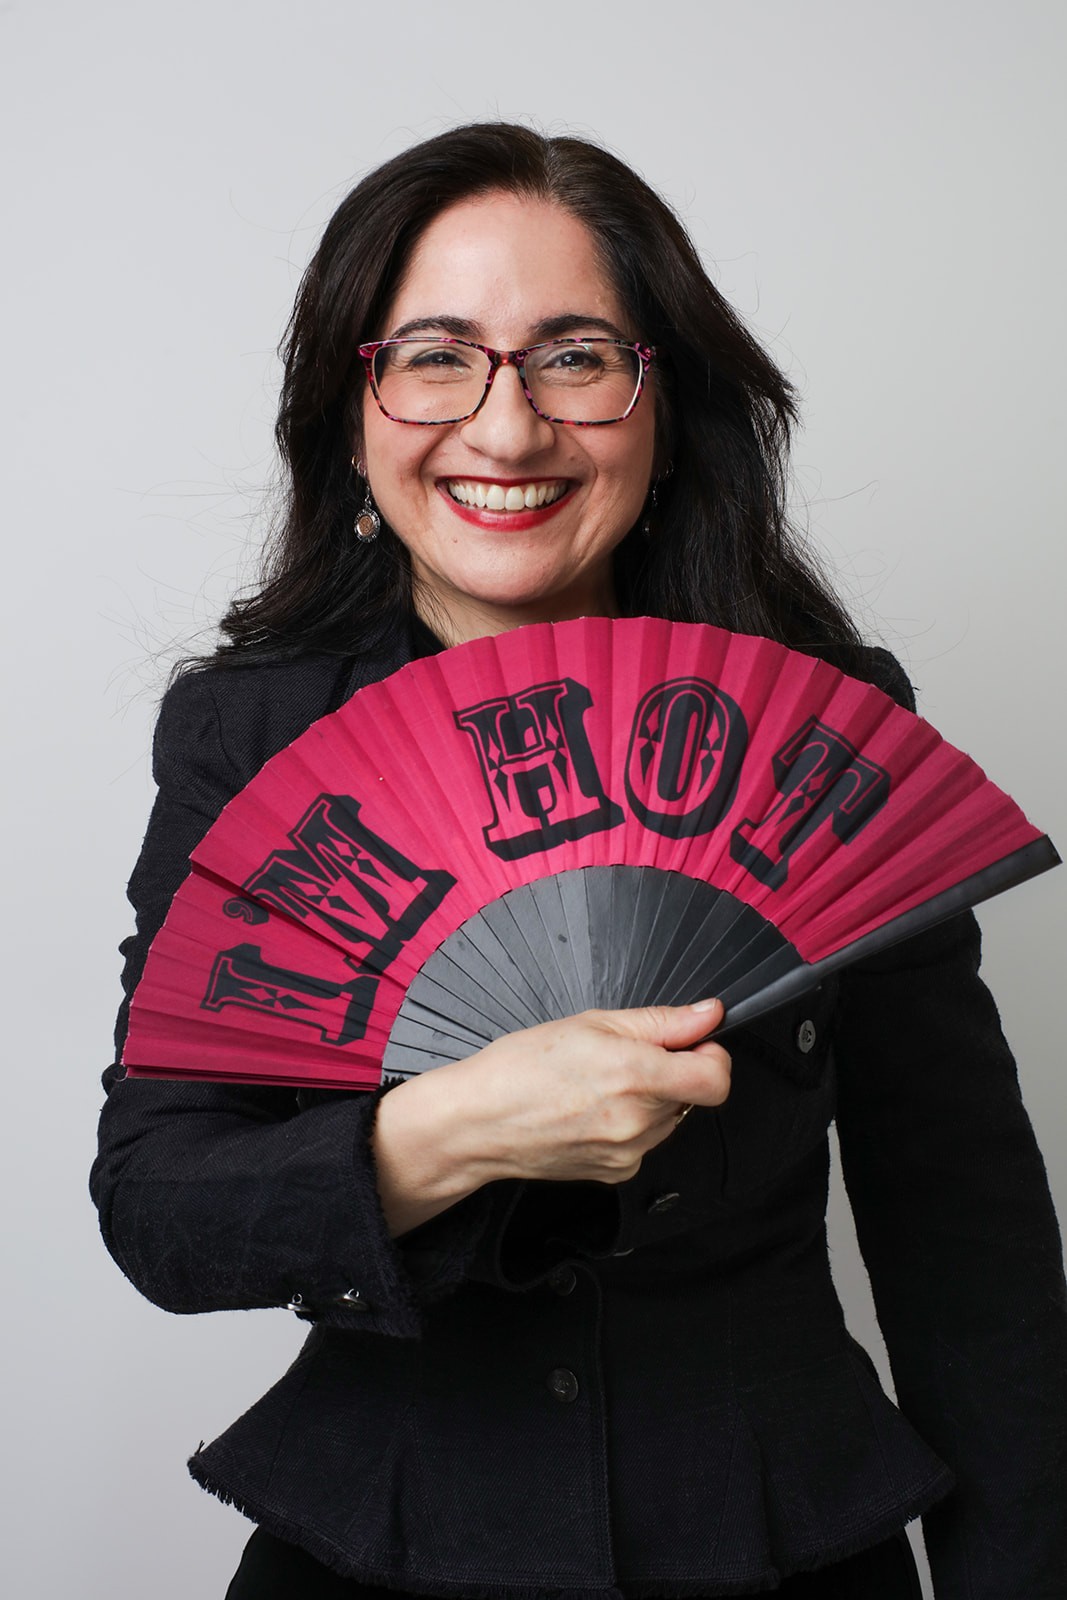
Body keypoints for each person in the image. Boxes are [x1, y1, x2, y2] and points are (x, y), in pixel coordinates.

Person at [91, 123, 1067, 1599]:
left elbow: (967, 1235)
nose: (504, 428)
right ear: (352, 411)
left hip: (784, 1538)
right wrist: (455, 1131)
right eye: (435, 354)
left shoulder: (828, 729)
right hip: (382, 1545)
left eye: (573, 356)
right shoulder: (249, 740)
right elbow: (161, 1210)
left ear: (664, 403)